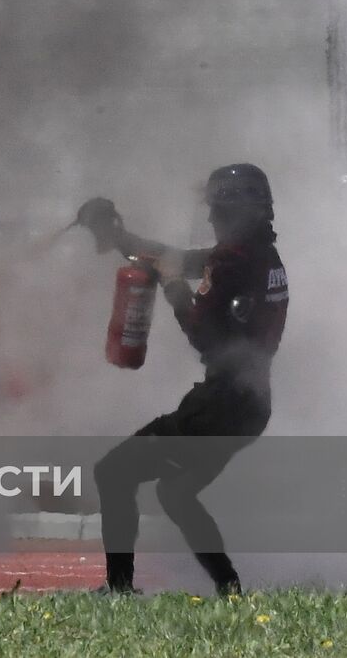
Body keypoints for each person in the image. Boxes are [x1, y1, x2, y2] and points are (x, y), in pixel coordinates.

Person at [77, 163, 288, 595]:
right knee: (175, 493)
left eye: (217, 209)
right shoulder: (259, 256)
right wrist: (116, 235)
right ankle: (229, 589)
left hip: (219, 408)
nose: (210, 218)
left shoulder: (235, 263)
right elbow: (170, 257)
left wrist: (173, 285)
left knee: (113, 473)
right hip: (249, 406)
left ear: (235, 210)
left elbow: (206, 338)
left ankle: (118, 591)